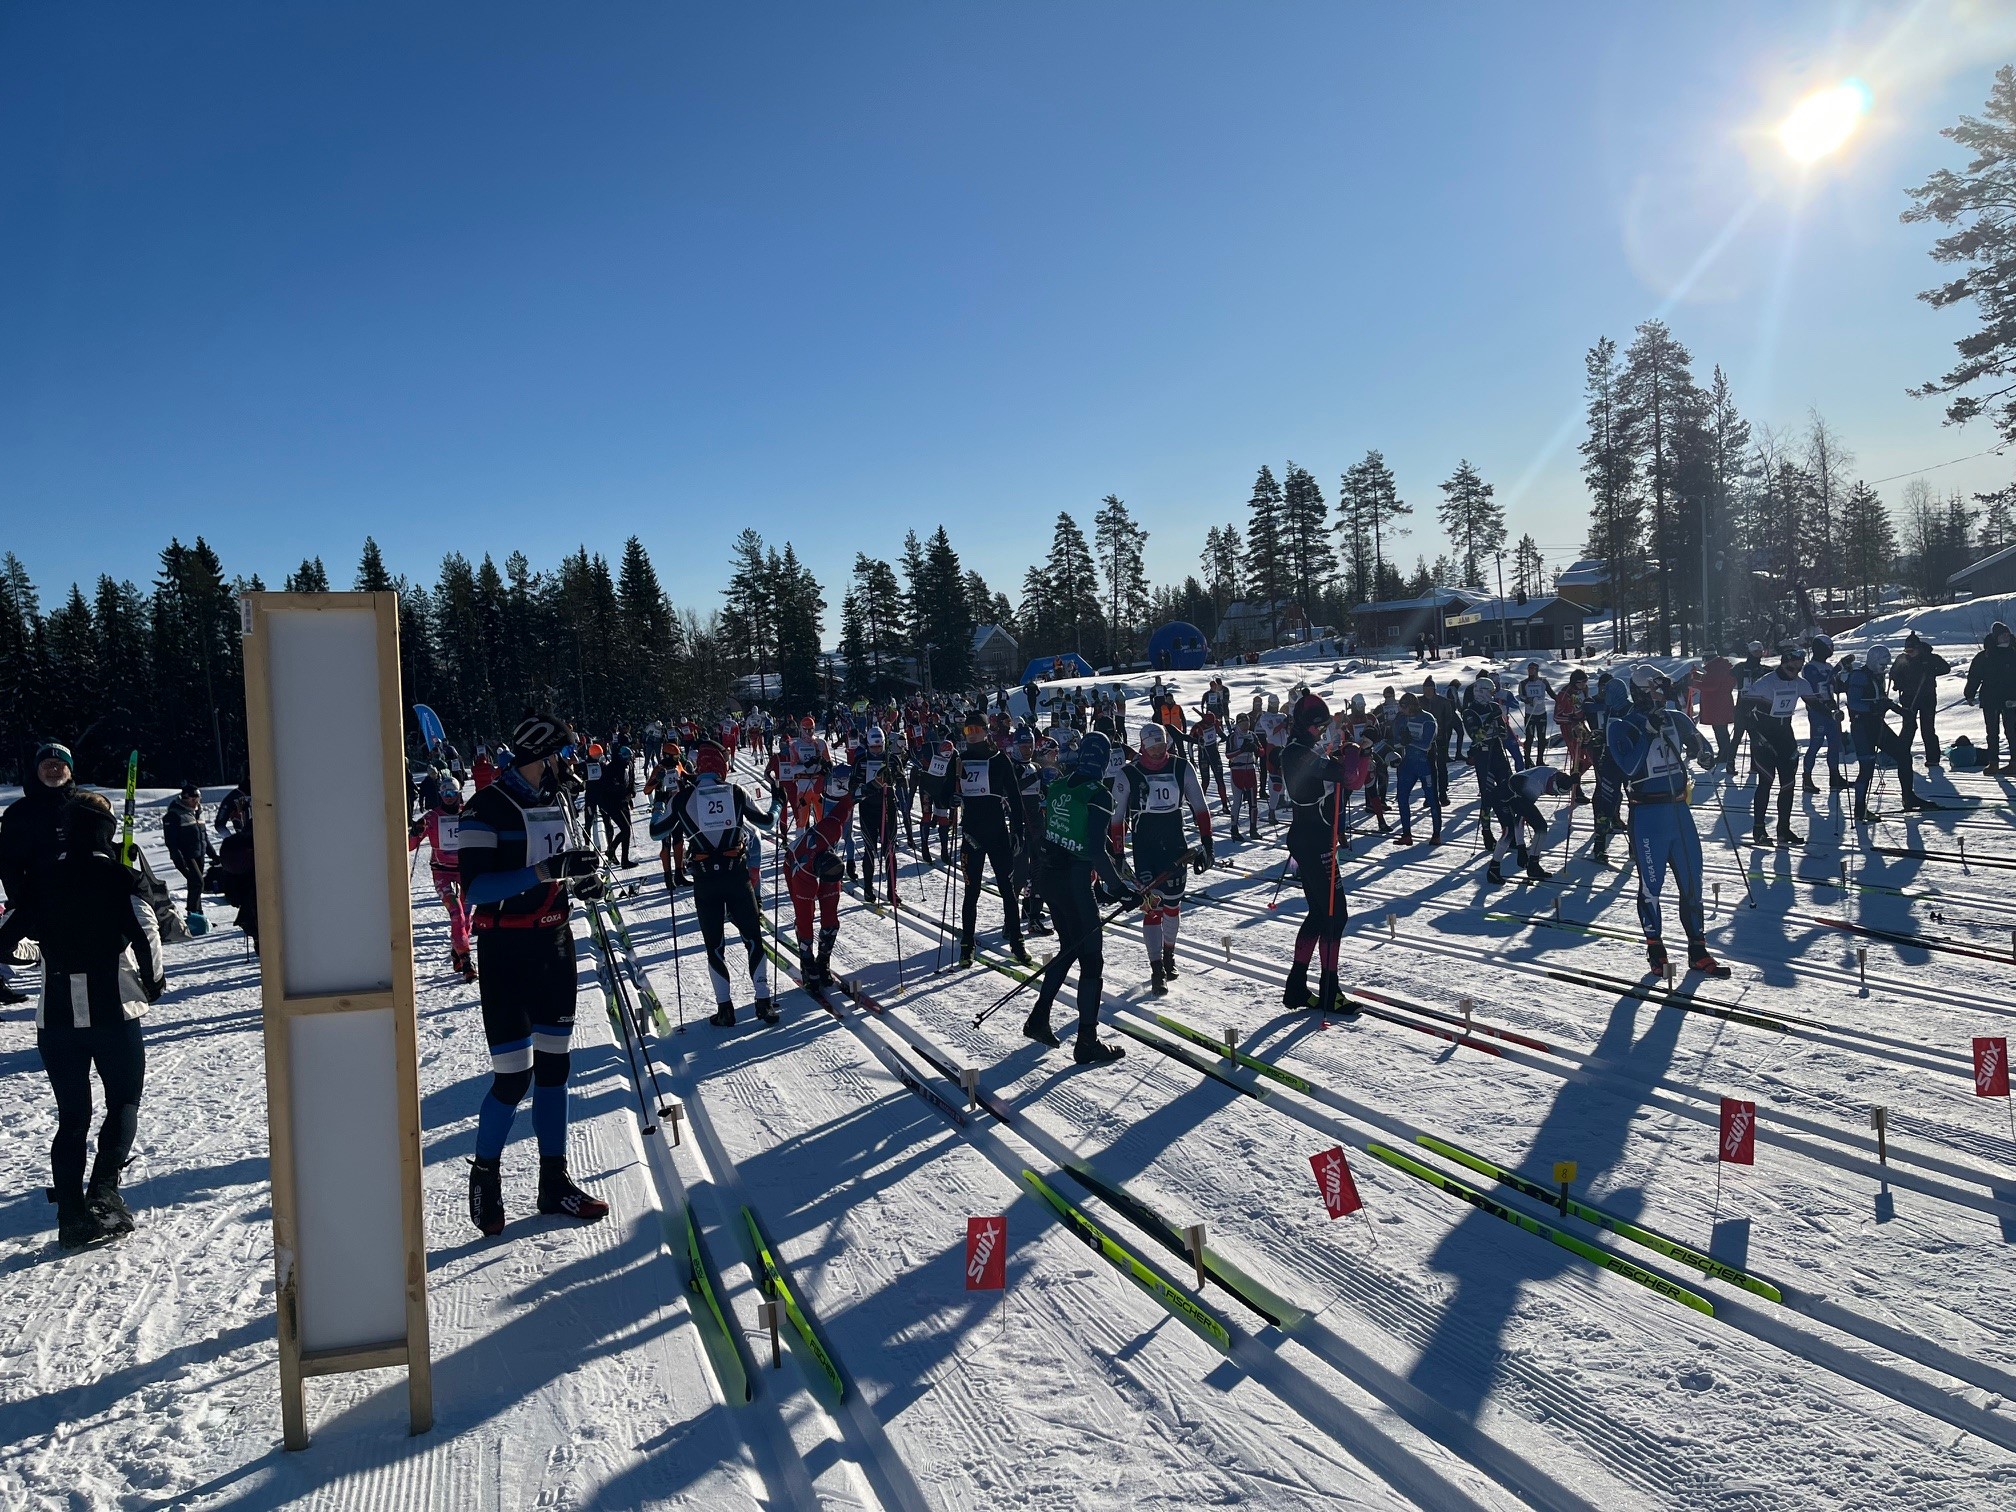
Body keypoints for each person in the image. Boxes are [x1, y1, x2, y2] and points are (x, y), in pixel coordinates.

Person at [456, 712, 611, 1237]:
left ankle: (554, 1183)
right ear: (537, 757)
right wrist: (545, 872)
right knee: (513, 1076)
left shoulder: (555, 801)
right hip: (507, 950)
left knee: (554, 1069)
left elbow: (559, 867)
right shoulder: (485, 807)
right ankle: (485, 1173)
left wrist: (579, 882)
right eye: (558, 756)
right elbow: (474, 890)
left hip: (555, 944)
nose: (565, 764)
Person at [31, 791, 165, 1249]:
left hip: (57, 1017)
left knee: (72, 1116)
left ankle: (71, 1214)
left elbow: (7, 942)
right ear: (106, 828)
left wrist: (38, 955)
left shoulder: (42, 878)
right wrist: (153, 983)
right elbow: (147, 931)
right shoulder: (119, 875)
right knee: (123, 1101)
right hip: (116, 1010)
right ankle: (105, 1192)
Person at [652, 740, 781, 1027]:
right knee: (752, 939)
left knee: (714, 945)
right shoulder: (736, 791)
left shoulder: (683, 797)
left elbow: (655, 833)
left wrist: (659, 801)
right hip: (736, 876)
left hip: (705, 880)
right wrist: (778, 801)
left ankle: (725, 1010)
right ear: (721, 767)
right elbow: (766, 823)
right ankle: (763, 1002)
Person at [1023, 732, 1134, 1064]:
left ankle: (1039, 1017)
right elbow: (1097, 851)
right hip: (1073, 880)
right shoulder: (1097, 794)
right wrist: (1118, 889)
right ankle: (1087, 1041)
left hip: (1050, 877)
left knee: (1069, 947)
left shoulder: (1060, 784)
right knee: (1092, 959)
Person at [1606, 666, 1724, 977]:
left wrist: (1705, 754)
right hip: (1647, 816)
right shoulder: (1622, 725)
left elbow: (1700, 743)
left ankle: (1698, 949)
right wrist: (1646, 732)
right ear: (1642, 690)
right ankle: (1655, 947)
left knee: (1692, 883)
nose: (1663, 693)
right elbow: (1629, 768)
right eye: (1658, 688)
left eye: (1664, 687)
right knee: (1651, 887)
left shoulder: (1676, 718)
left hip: (1679, 813)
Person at [1280, 693, 1367, 1017]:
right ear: (1304, 726)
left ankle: (1297, 986)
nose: (1321, 731)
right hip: (1313, 839)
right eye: (1317, 726)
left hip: (1314, 838)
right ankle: (1330, 990)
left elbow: (1341, 770)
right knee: (1335, 914)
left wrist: (1349, 752)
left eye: (1323, 726)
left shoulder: (1306, 749)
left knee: (1320, 913)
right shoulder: (1297, 753)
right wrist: (1359, 753)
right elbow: (1351, 778)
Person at [1111, 722, 1213, 993]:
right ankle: (1156, 967)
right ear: (1143, 745)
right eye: (1152, 746)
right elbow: (1117, 817)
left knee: (1173, 906)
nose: (1157, 752)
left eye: (1161, 745)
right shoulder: (1128, 773)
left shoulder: (1181, 767)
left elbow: (1200, 807)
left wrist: (1207, 844)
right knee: (1152, 907)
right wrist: (1119, 854)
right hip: (1145, 850)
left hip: (1175, 847)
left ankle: (1169, 954)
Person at [954, 713, 1031, 967]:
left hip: (997, 833)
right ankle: (967, 944)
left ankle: (1017, 942)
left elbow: (1016, 799)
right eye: (967, 731)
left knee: (1008, 890)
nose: (972, 734)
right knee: (971, 891)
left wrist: (1018, 830)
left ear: (986, 731)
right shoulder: (960, 759)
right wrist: (950, 797)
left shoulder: (999, 760)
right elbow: (944, 792)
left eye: (976, 729)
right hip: (971, 835)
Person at [787, 764, 856, 987]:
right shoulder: (803, 874)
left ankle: (823, 961)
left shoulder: (830, 830)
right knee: (806, 917)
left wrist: (863, 789)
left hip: (825, 867)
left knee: (831, 916)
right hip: (795, 867)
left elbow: (842, 808)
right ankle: (807, 964)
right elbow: (805, 920)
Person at [1738, 644, 1810, 845]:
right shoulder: (1765, 683)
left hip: (1785, 736)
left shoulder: (1799, 683)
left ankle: (1783, 830)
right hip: (1764, 737)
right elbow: (1743, 711)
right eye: (1791, 669)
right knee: (1766, 782)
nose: (1794, 673)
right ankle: (1759, 830)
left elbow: (1817, 703)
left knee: (1788, 784)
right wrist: (1754, 734)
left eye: (1799, 669)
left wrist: (1832, 710)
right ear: (1783, 663)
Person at [1845, 646, 1924, 821]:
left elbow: (1882, 700)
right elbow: (1853, 703)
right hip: (1862, 727)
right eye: (1882, 664)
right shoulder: (1858, 676)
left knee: (1903, 755)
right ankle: (1859, 809)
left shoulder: (1878, 676)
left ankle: (1908, 797)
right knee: (1866, 769)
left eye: (1886, 664)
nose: (1884, 667)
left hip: (1877, 725)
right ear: (1873, 661)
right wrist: (1873, 707)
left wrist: (1901, 710)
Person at [410, 781, 475, 981]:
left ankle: (457, 949)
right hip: (442, 872)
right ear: (440, 794)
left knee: (466, 915)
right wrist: (415, 832)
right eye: (445, 792)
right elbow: (410, 845)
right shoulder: (432, 817)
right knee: (457, 914)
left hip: (466, 871)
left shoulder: (469, 813)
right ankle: (466, 959)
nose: (448, 796)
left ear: (458, 793)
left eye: (452, 792)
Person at [1387, 691, 1442, 846]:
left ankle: (1436, 833)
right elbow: (1396, 741)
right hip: (1408, 764)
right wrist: (1401, 742)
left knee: (1432, 799)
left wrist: (1408, 741)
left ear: (1411, 706)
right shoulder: (1401, 718)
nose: (1401, 710)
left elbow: (1426, 745)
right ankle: (1406, 834)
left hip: (1426, 764)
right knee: (1402, 798)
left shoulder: (1428, 719)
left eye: (1403, 707)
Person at [1891, 633, 1952, 768]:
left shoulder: (1929, 658)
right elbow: (1893, 674)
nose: (1909, 653)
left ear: (1918, 648)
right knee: (1908, 727)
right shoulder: (1902, 659)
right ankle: (1901, 755)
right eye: (1907, 651)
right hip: (1908, 699)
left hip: (1927, 697)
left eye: (1912, 650)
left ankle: (1933, 758)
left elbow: (1946, 668)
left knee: (1928, 728)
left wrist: (1931, 670)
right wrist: (1898, 683)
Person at [1963, 620, 2016, 774]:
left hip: (2011, 699)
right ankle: (1993, 762)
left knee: (2012, 731)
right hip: (1990, 699)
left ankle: (2014, 762)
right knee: (1992, 733)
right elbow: (1974, 677)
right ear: (1995, 637)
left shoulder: (2013, 653)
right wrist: (1970, 694)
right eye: (2002, 635)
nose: (2005, 638)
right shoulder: (1985, 656)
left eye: (2007, 635)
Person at [160, 784, 214, 931]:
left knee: (195, 885)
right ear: (186, 798)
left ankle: (198, 917)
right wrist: (179, 860)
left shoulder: (198, 812)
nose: (198, 801)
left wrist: (213, 855)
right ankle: (193, 916)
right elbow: (171, 842)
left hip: (199, 853)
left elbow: (204, 837)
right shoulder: (174, 814)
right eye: (195, 798)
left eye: (199, 797)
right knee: (197, 882)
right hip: (185, 856)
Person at [1800, 635, 1850, 792]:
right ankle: (1807, 777)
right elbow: (1818, 683)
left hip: (1832, 709)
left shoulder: (1828, 667)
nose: (1831, 650)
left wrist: (1845, 677)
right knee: (1816, 743)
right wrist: (1837, 668)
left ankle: (1835, 776)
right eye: (1828, 647)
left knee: (1835, 743)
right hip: (1818, 709)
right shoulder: (1810, 667)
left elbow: (1835, 685)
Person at [1697, 649, 1738, 768]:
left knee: (1720, 731)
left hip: (1717, 705)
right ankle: (1725, 754)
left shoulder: (1716, 669)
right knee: (1721, 730)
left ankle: (1724, 755)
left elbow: (1712, 685)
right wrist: (1698, 678)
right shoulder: (1720, 667)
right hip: (1720, 703)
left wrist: (1695, 684)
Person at [1517, 662, 1553, 765]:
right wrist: (1530, 700)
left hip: (1541, 713)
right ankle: (1527, 761)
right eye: (1529, 668)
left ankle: (1540, 761)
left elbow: (1551, 693)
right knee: (1529, 737)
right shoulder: (1523, 683)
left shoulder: (1543, 682)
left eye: (1532, 668)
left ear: (1537, 670)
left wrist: (1560, 700)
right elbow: (1521, 696)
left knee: (1542, 738)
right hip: (1530, 714)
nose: (1530, 671)